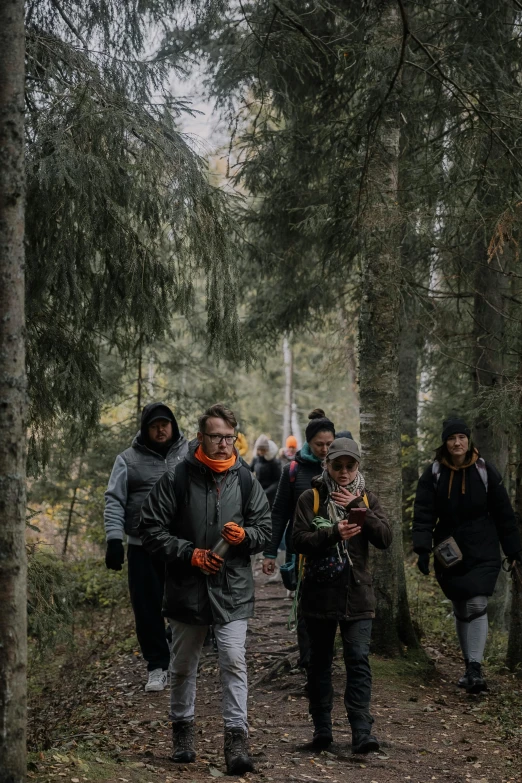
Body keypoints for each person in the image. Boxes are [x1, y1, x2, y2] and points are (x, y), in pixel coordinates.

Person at [139, 403, 271, 774]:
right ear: (201, 437)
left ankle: (237, 740)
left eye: (229, 437)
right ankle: (182, 734)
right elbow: (150, 529)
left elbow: (265, 528)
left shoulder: (246, 479)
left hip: (232, 589)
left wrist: (246, 537)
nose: (223, 443)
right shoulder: (177, 479)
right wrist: (190, 554)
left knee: (233, 659)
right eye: (216, 436)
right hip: (186, 587)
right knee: (182, 666)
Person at [292, 437, 392, 753]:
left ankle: (362, 732)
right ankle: (322, 731)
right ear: (328, 465)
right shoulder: (311, 498)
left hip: (358, 595)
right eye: (338, 465)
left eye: (350, 466)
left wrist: (357, 506)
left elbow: (386, 539)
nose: (344, 471)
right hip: (319, 596)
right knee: (319, 663)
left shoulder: (367, 499)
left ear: (357, 466)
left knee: (358, 660)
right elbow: (298, 540)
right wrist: (333, 533)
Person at [413, 417, 522, 694]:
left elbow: (504, 514)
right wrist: (423, 550)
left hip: (483, 545)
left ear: (468, 440)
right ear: (445, 443)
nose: (457, 443)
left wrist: (514, 550)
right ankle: (468, 666)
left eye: (461, 437)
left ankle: (475, 668)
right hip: (449, 548)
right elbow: (424, 513)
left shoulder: (485, 470)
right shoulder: (434, 473)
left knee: (476, 602)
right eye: (451, 438)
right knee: (460, 605)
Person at [104, 402, 188, 691]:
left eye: (165, 423)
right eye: (154, 425)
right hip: (142, 546)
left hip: (181, 545)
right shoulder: (127, 460)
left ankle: (182, 659)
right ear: (145, 428)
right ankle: (157, 666)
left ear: (173, 426)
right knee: (147, 608)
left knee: (185, 604)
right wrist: (114, 538)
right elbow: (114, 499)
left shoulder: (189, 454)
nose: (160, 429)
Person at [262, 408, 336, 669]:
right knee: (305, 605)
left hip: (335, 549)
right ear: (308, 443)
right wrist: (270, 553)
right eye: (319, 444)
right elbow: (279, 512)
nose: (325, 449)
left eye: (329, 443)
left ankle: (326, 654)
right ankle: (308, 660)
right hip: (303, 550)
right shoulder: (293, 470)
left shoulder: (342, 466)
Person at [250, 434, 282, 507]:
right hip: (258, 494)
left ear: (267, 449)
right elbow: (248, 470)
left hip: (270, 497)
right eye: (259, 449)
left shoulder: (274, 462)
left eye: (263, 449)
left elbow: (278, 480)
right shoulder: (256, 459)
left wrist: (266, 492)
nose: (261, 452)